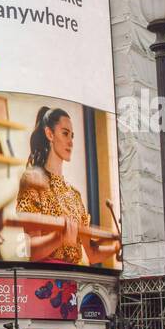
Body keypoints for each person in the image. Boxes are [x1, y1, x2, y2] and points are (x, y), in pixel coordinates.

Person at [14, 107, 120, 266]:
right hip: (45, 282)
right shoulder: (32, 182)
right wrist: (59, 238)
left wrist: (118, 246)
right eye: (65, 133)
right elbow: (31, 250)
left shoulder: (74, 195)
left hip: (75, 281)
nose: (71, 142)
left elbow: (92, 254)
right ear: (49, 134)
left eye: (72, 136)